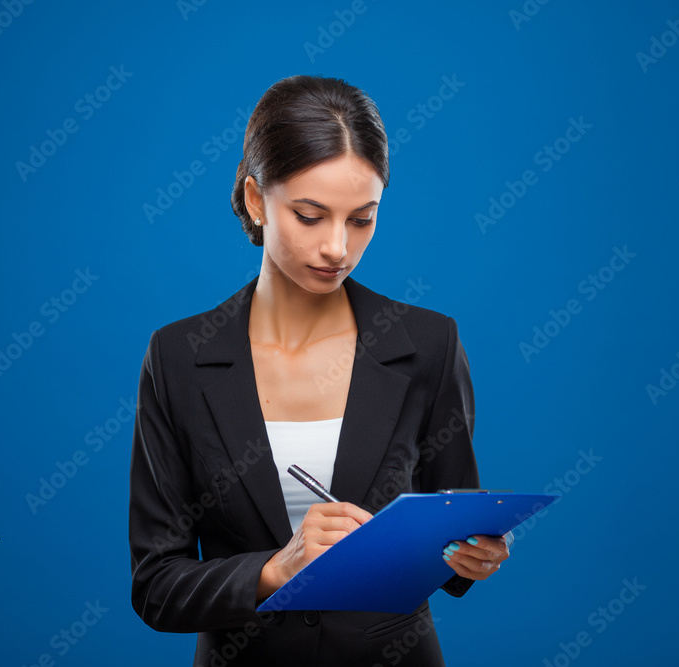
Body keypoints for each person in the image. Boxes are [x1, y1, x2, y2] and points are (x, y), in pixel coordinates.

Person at [128, 75, 510, 666]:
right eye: (310, 215)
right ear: (256, 200)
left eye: (361, 219)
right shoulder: (178, 357)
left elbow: (453, 526)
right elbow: (156, 587)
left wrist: (473, 554)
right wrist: (274, 570)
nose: (338, 247)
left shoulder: (429, 345)